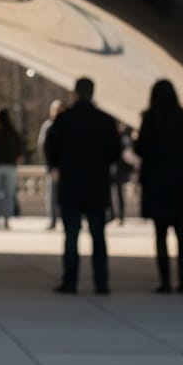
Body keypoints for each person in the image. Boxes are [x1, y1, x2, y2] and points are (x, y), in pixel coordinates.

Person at [45, 78, 121, 294]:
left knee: (71, 236)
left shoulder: (64, 120)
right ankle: (101, 282)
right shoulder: (104, 120)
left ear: (75, 93)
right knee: (98, 236)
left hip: (71, 185)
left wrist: (59, 167)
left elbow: (51, 149)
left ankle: (70, 281)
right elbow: (114, 152)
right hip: (97, 185)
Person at [134, 80, 183, 293]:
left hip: (158, 182)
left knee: (160, 233)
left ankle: (165, 281)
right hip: (179, 181)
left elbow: (141, 148)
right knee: (181, 233)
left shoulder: (150, 118)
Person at [38, 99, 64, 229]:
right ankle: (52, 220)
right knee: (52, 195)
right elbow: (44, 148)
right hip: (54, 167)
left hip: (67, 167)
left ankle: (65, 219)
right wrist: (51, 167)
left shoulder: (68, 125)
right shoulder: (48, 126)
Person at [110, 122, 136, 225]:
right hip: (116, 169)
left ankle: (119, 216)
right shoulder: (119, 138)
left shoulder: (124, 139)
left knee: (119, 194)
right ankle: (113, 216)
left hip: (120, 170)